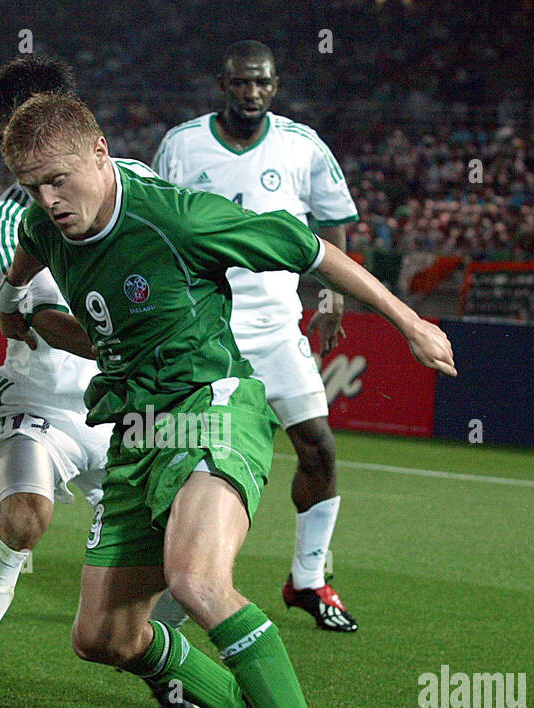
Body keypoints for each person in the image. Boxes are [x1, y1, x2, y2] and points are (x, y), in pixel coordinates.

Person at [0, 92, 456, 708]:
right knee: (102, 637)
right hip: (136, 434)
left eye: (57, 179)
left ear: (100, 152)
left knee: (198, 580)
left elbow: (315, 251)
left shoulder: (176, 216)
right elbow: (27, 266)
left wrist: (410, 323)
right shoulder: (41, 225)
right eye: (30, 186)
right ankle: (230, 692)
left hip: (211, 408)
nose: (48, 200)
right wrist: (12, 299)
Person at [0, 57, 195, 708]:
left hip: (131, 410)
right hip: (45, 399)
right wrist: (136, 346)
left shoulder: (142, 185)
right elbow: (40, 318)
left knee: (188, 558)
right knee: (24, 517)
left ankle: (156, 656)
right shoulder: (6, 223)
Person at [152, 40, 361, 632]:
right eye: (241, 83)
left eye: (262, 84)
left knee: (318, 447)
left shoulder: (301, 145)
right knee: (194, 458)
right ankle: (188, 581)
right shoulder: (182, 144)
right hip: (207, 329)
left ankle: (308, 579)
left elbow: (334, 219)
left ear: (275, 85)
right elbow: (160, 221)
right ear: (224, 83)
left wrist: (333, 292)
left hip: (275, 328)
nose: (252, 93)